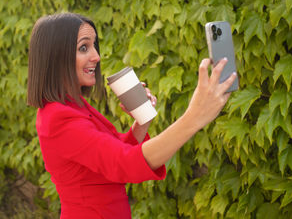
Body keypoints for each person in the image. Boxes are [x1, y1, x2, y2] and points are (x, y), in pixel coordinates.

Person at [27, 13, 237, 219]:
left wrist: (142, 121)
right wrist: (193, 117)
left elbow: (110, 155)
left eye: (94, 46)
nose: (96, 56)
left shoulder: (72, 106)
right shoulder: (58, 118)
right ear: (56, 56)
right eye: (84, 47)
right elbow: (123, 163)